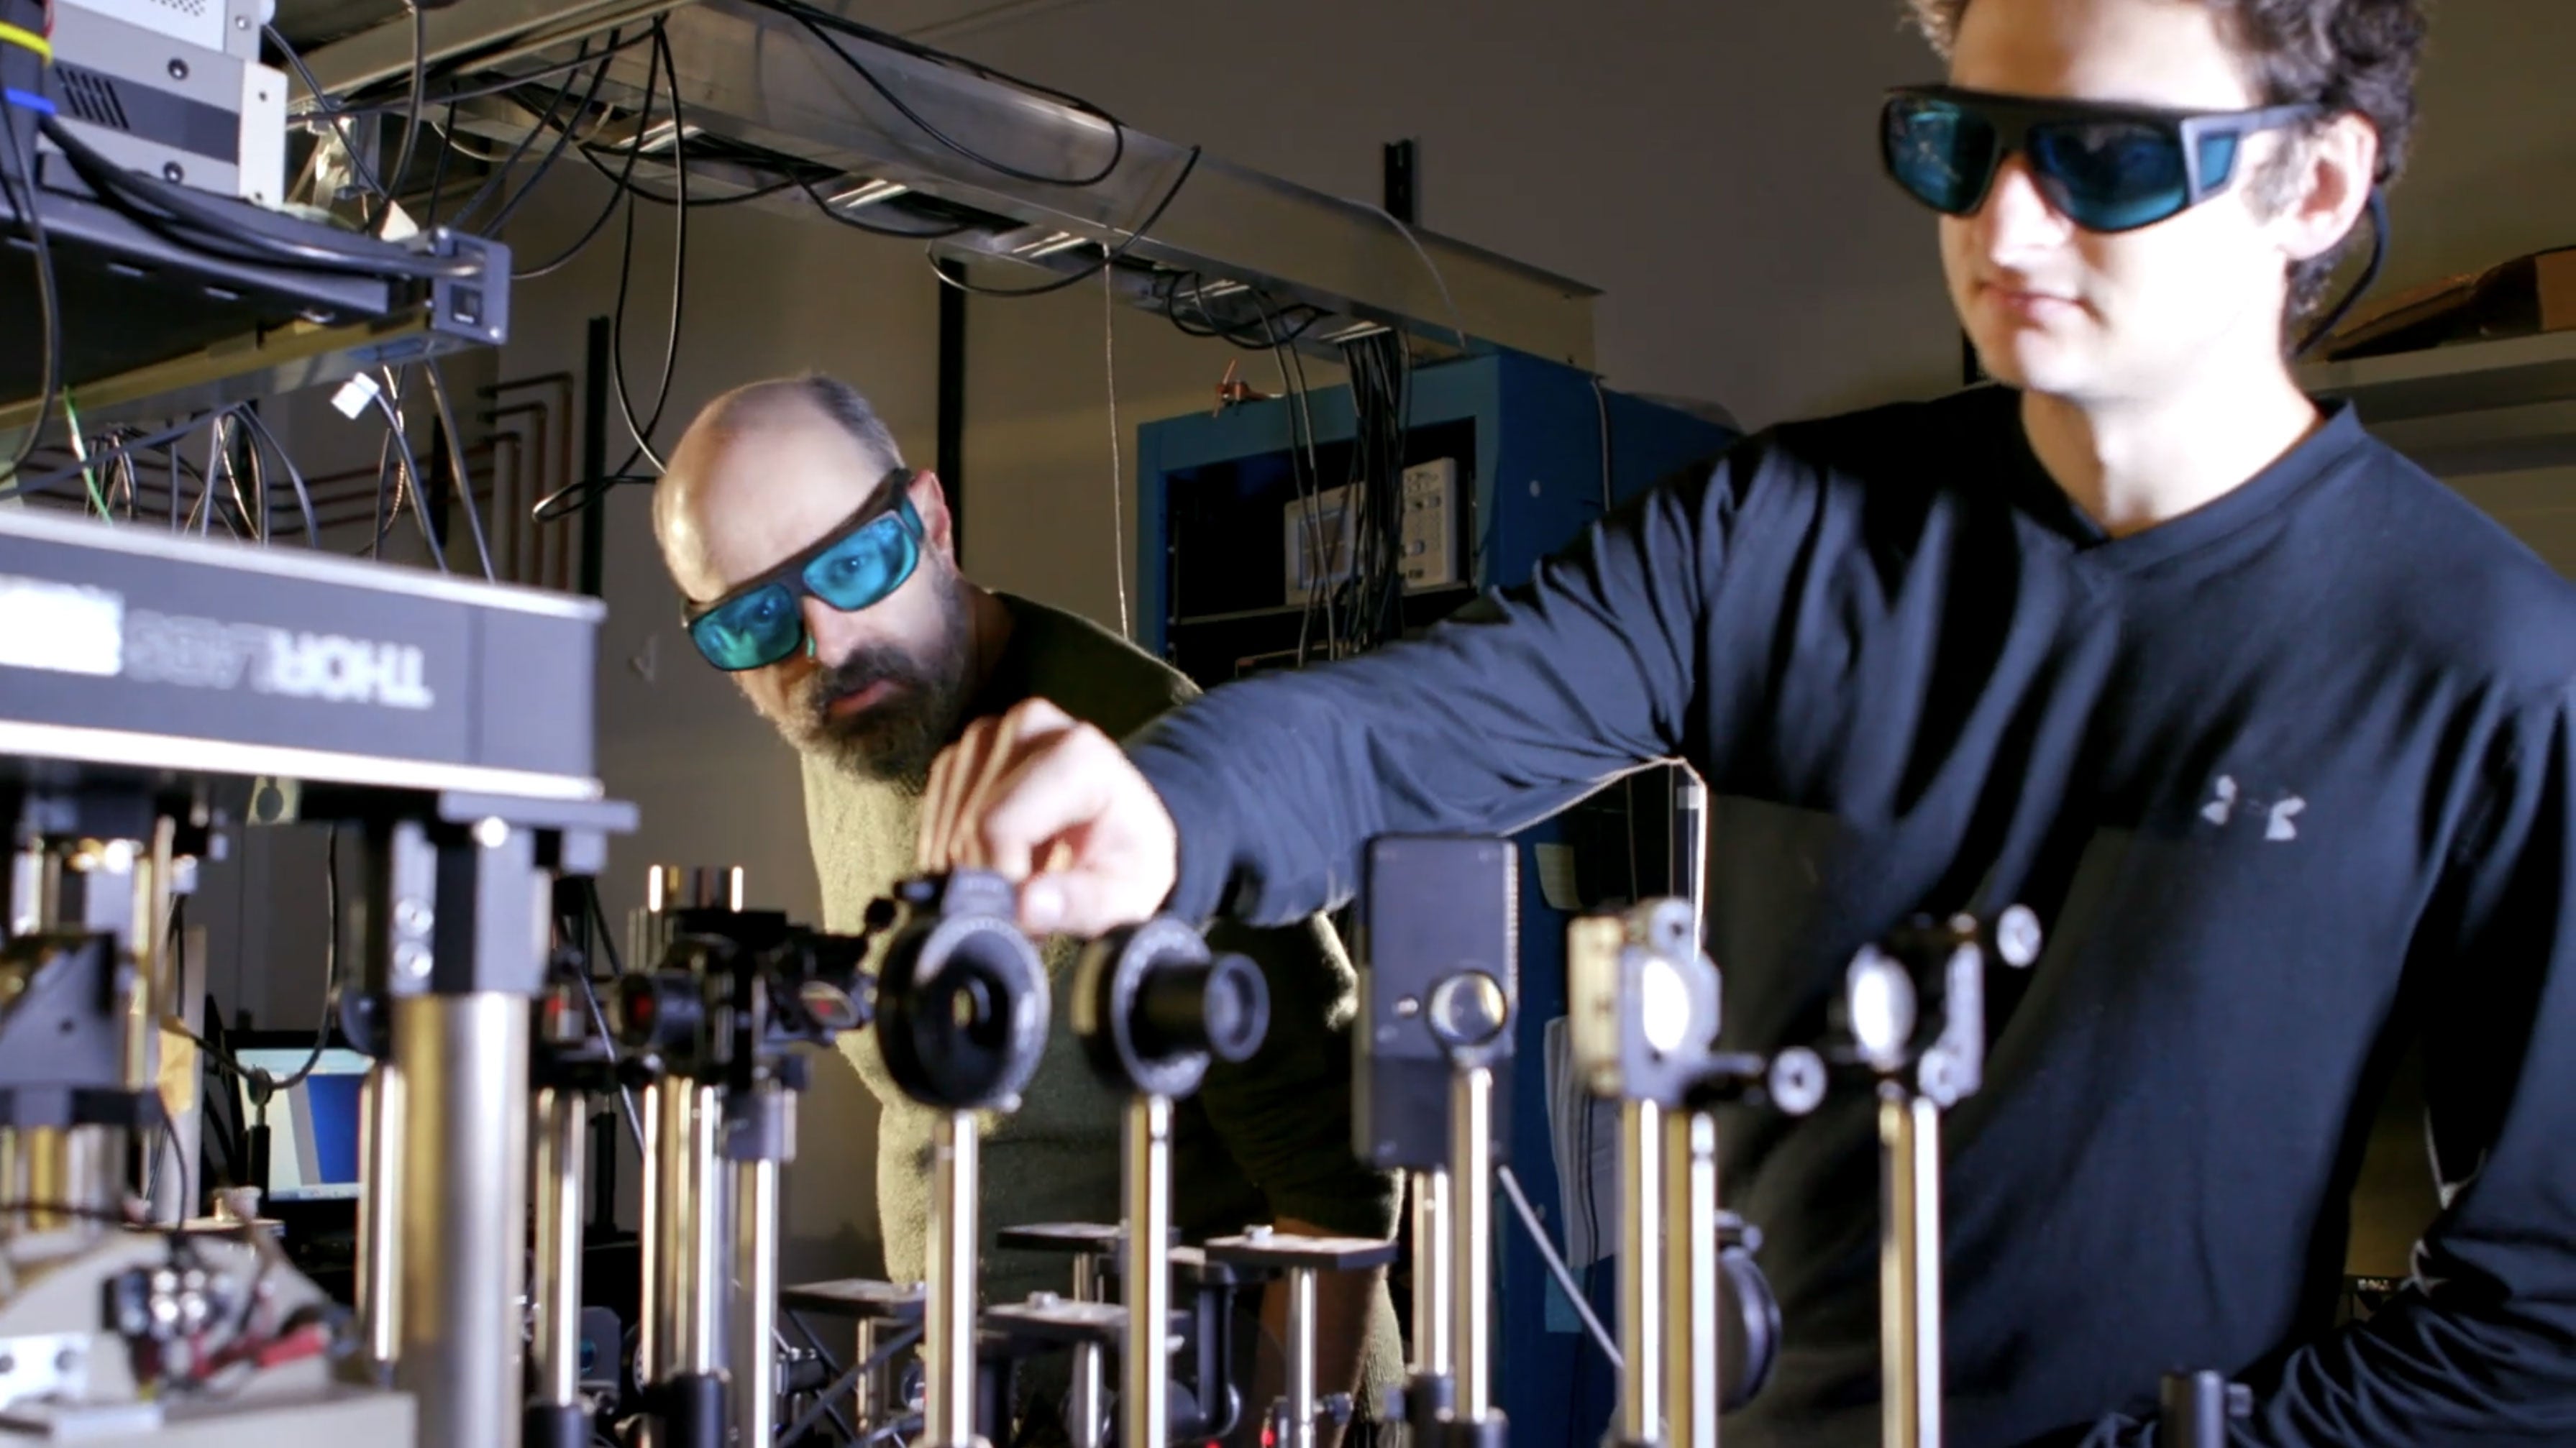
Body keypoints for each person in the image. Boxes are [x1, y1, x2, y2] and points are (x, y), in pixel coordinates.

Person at [914, 0, 2576, 1443]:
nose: (2002, 231)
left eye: (2112, 160)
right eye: (1961, 143)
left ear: (2323, 181)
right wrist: (1168, 809)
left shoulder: (2483, 661)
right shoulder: (1783, 530)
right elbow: (1410, 726)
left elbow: (2540, 1323)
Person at [649, 375, 1403, 1444]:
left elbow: (1335, 1164)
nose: (825, 640)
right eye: (755, 619)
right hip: (988, 1393)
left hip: (1204, 1401)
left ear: (933, 521)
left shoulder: (1128, 748)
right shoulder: (856, 720)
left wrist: (1289, 1423)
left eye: (856, 567)